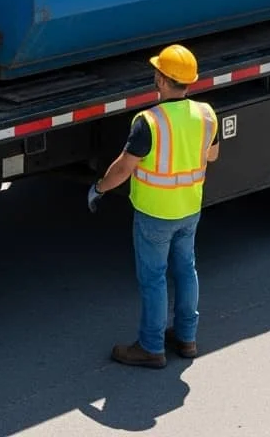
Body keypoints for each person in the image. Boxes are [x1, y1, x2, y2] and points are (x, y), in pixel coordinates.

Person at [88, 43, 219, 368]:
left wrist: (99, 188)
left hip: (155, 215)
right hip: (190, 208)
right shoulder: (206, 114)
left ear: (161, 80)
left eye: (156, 72)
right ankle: (187, 338)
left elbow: (122, 168)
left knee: (154, 278)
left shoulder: (149, 121)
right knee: (186, 270)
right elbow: (212, 156)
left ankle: (151, 347)